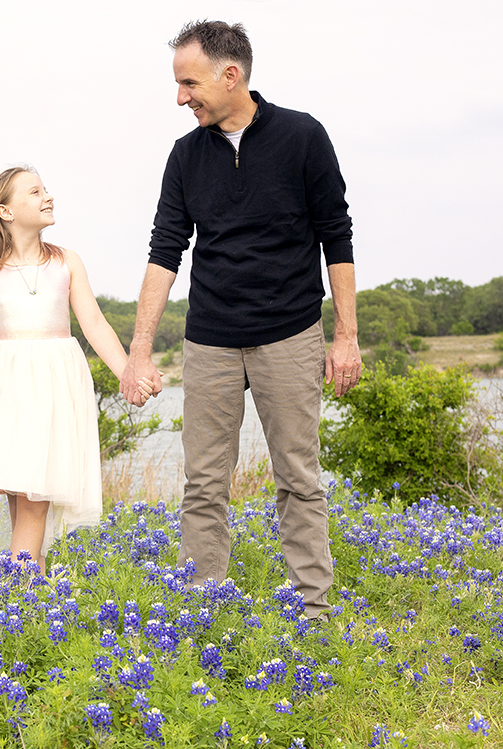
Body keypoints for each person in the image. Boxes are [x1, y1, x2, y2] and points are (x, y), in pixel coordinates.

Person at [120, 20, 361, 621]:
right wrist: (140, 351)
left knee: (298, 477)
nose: (181, 97)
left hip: (291, 333)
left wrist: (347, 337)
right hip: (211, 341)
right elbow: (164, 249)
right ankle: (201, 609)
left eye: (189, 83)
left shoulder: (303, 137)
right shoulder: (185, 155)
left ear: (231, 76)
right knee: (203, 483)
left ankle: (314, 610)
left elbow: (338, 236)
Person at [0, 167, 153, 571]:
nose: (48, 197)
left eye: (45, 190)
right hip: (2, 393)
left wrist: (127, 372)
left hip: (52, 390)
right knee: (21, 498)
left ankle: (21, 593)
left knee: (34, 501)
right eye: (35, 192)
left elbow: (95, 325)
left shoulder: (66, 262)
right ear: (6, 211)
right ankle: (30, 592)